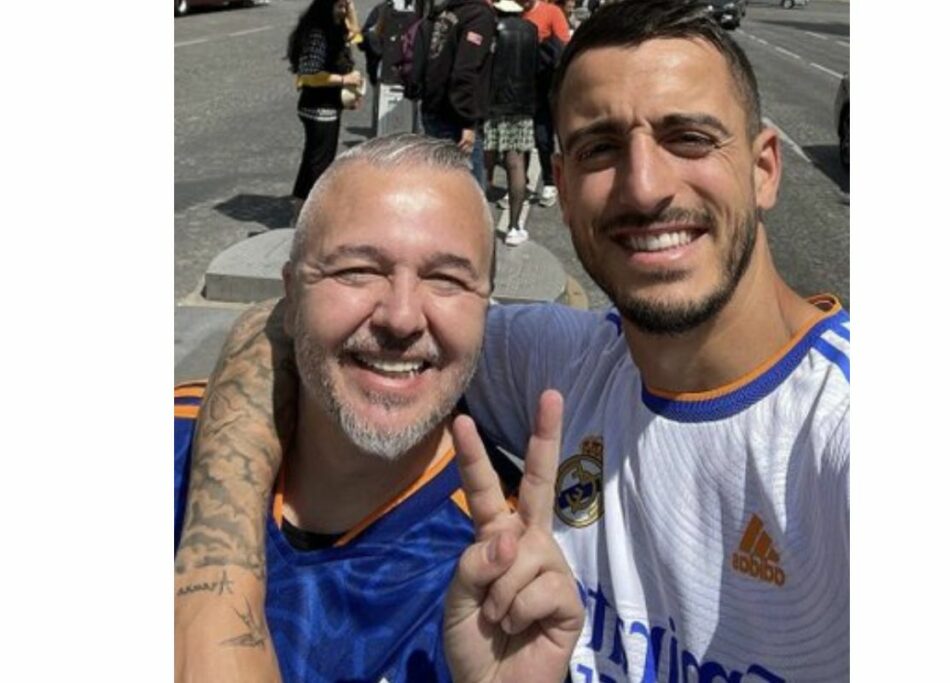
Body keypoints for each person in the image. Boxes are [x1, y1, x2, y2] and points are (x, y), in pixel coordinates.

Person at [176, 0, 850, 680]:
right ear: (561, 180)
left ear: (766, 168)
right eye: (600, 148)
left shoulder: (840, 430)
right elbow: (303, 328)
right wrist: (216, 578)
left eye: (689, 139)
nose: (645, 187)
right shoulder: (564, 360)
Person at [174, 134, 582, 682]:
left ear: (488, 310)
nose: (401, 316)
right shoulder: (177, 436)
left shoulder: (507, 583)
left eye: (447, 279)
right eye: (357, 270)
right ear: (289, 299)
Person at [287, 0, 365, 223]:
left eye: (344, 6)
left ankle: (300, 212)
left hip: (325, 105)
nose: (342, 11)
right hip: (318, 107)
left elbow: (357, 38)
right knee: (320, 163)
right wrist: (344, 79)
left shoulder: (333, 28)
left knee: (312, 160)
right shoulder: (318, 35)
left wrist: (351, 12)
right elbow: (309, 75)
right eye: (339, 6)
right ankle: (313, 217)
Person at [418, 0, 497, 187]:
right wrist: (468, 120)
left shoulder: (447, 11)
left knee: (438, 186)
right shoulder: (479, 16)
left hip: (434, 107)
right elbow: (465, 72)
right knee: (466, 193)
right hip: (455, 119)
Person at [483, 0, 539, 247]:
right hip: (522, 106)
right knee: (516, 164)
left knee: (485, 161)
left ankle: (478, 221)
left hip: (494, 104)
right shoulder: (531, 30)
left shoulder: (494, 29)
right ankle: (515, 227)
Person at [520, 0, 569, 209]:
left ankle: (549, 182)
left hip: (544, 84)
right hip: (519, 86)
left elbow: (563, 48)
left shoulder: (552, 12)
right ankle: (520, 183)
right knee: (520, 138)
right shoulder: (510, 13)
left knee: (543, 136)